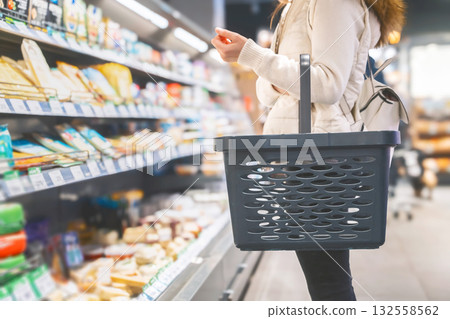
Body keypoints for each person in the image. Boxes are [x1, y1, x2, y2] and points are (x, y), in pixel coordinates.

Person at [212, 0, 406, 301]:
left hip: (320, 159)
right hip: (301, 157)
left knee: (327, 281)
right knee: (325, 278)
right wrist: (283, 76)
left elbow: (327, 85)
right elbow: (266, 92)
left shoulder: (333, 3)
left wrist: (252, 55)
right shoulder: (295, 6)